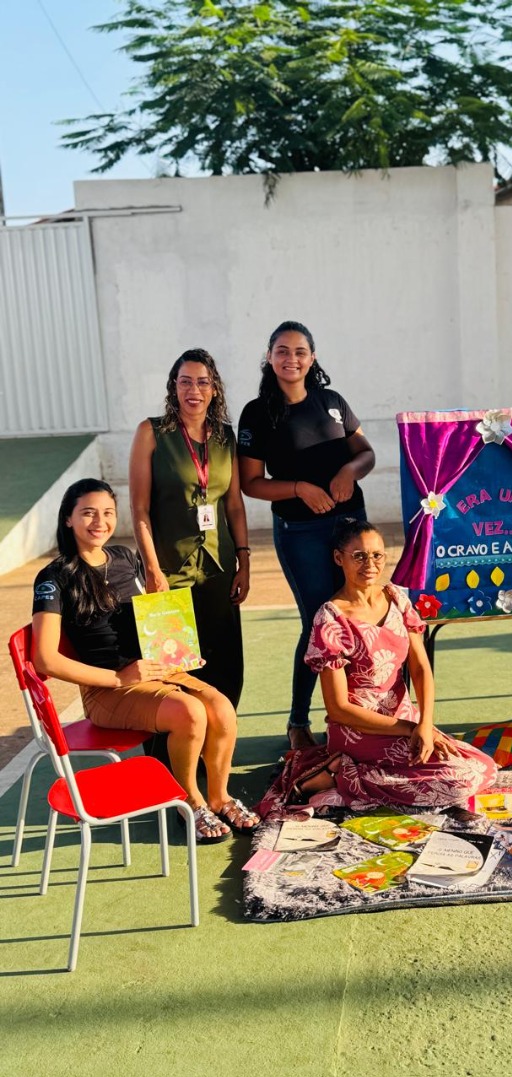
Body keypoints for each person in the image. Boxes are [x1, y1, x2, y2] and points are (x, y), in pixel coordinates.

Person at [31, 479, 259, 842]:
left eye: (108, 513)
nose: (100, 522)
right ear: (68, 519)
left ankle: (220, 797)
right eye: (88, 513)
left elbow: (152, 615)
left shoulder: (124, 557)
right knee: (190, 713)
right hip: (107, 689)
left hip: (155, 671)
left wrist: (176, 646)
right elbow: (44, 659)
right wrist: (119, 679)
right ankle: (190, 802)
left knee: (221, 708)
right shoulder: (54, 577)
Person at [256, 520, 497, 817]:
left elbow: (420, 668)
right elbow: (339, 709)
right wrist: (412, 729)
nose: (370, 564)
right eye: (358, 556)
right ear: (338, 558)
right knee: (459, 782)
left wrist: (424, 723)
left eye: (377, 555)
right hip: (359, 730)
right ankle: (340, 775)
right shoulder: (330, 620)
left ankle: (341, 774)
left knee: (483, 766)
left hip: (406, 720)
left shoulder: (396, 598)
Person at [238, 321, 376, 749]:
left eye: (300, 351)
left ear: (312, 358)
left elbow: (366, 453)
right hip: (300, 532)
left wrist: (348, 471)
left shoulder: (332, 402)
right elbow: (251, 483)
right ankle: (298, 721)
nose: (291, 359)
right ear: (269, 357)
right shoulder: (256, 413)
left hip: (351, 525)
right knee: (319, 621)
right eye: (282, 350)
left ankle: (365, 714)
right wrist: (299, 488)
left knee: (358, 615)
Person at [129, 348, 250, 708]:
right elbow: (139, 508)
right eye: (185, 382)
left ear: (214, 389)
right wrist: (152, 570)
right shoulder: (151, 432)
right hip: (169, 569)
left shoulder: (226, 437)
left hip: (219, 566)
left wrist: (244, 560)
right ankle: (177, 741)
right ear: (173, 387)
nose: (193, 390)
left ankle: (220, 736)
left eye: (202, 382)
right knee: (172, 670)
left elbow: (234, 505)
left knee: (225, 666)